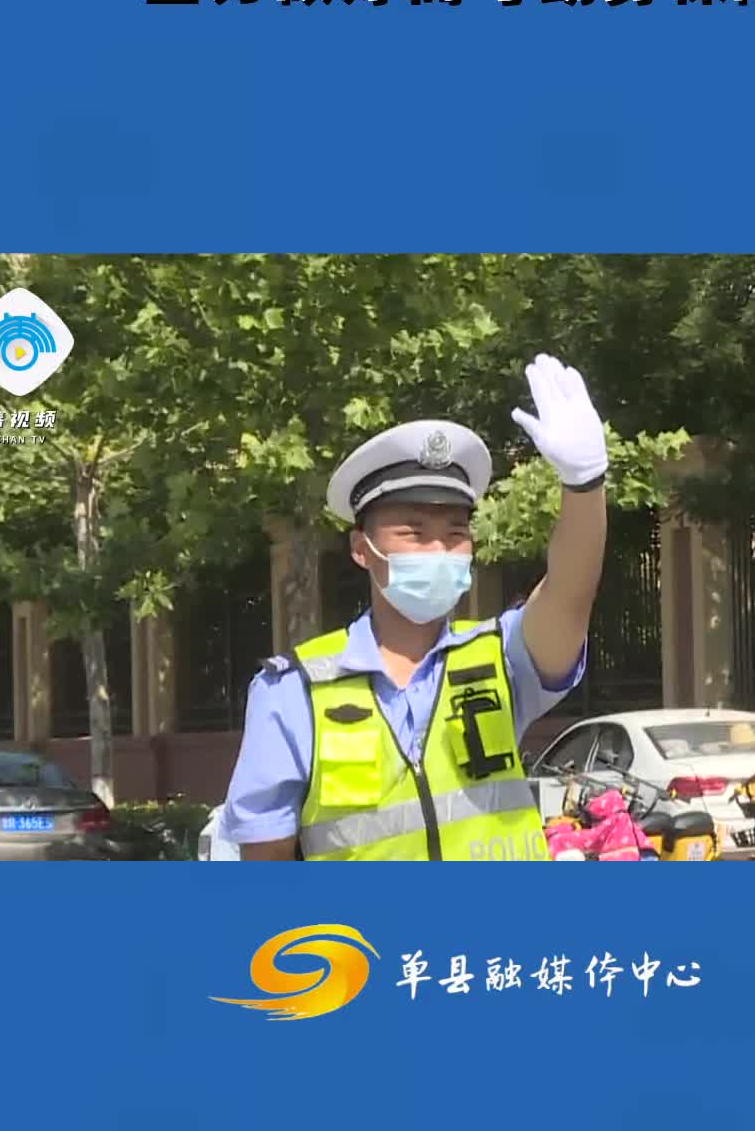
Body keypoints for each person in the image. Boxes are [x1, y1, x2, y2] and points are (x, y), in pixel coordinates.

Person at [222, 354, 608, 861]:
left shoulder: (502, 659)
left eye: (456, 533)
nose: (440, 550)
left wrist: (584, 485)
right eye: (414, 533)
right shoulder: (295, 690)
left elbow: (569, 594)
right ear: (361, 549)